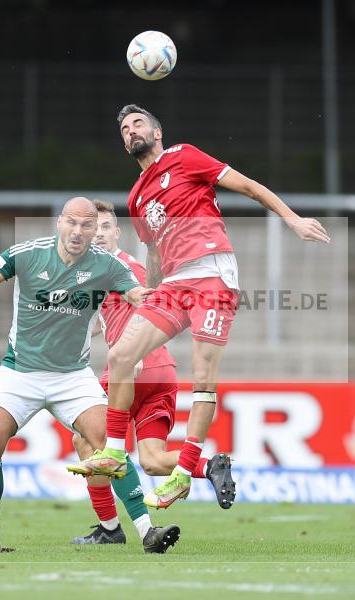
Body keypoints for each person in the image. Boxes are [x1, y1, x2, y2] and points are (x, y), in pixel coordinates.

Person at [68, 104, 330, 509]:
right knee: (121, 355)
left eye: (138, 124)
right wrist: (149, 294)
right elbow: (154, 256)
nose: (130, 131)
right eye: (123, 128)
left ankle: (182, 474)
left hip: (213, 272)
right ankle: (116, 451)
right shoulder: (136, 197)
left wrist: (291, 219)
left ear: (157, 133)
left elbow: (248, 187)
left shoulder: (184, 157)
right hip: (173, 284)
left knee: (203, 375)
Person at [0, 196, 178, 553]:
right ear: (59, 223)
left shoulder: (107, 265)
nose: (79, 231)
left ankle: (147, 532)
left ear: (95, 230)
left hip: (72, 376)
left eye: (87, 225)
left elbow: (137, 294)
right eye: (72, 223)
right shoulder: (27, 253)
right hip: (20, 371)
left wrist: (160, 299)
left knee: (108, 446)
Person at [70, 201, 235, 546]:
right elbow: (105, 317)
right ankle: (208, 467)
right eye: (91, 228)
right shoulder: (102, 272)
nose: (96, 234)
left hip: (133, 368)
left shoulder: (121, 267)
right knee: (152, 460)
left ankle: (110, 529)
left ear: (117, 233)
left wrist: (135, 356)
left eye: (103, 228)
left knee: (85, 440)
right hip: (162, 373)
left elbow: (151, 302)